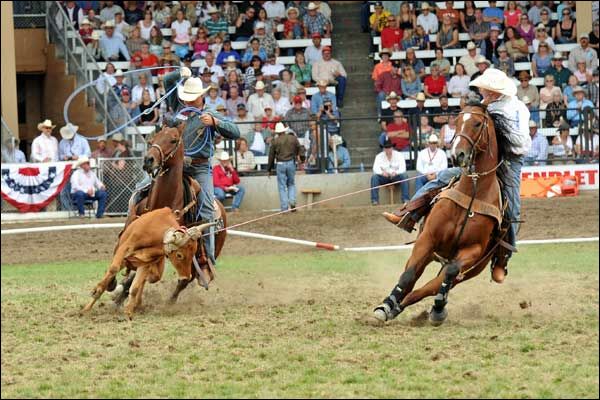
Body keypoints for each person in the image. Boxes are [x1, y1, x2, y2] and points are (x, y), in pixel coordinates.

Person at [384, 68, 531, 283]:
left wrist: (499, 131)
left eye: (488, 90)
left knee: (512, 203)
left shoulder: (517, 109)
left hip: (509, 160)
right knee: (444, 176)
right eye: (483, 89)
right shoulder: (483, 106)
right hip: (481, 159)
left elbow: (522, 142)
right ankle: (409, 214)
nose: (484, 93)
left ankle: (502, 259)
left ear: (498, 91)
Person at [161, 66, 240, 267]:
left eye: (192, 97)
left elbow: (235, 131)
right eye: (186, 97)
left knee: (205, 207)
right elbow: (167, 81)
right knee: (145, 189)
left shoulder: (209, 114)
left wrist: (215, 122)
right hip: (175, 166)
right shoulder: (179, 110)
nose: (188, 100)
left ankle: (209, 257)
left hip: (199, 168)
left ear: (201, 97)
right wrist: (181, 72)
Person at [267, 122, 301, 211]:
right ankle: (292, 202)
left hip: (280, 164)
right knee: (291, 184)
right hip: (291, 163)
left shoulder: (274, 141)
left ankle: (284, 207)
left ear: (277, 132)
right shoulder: (292, 138)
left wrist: (269, 169)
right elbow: (299, 148)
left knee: (282, 186)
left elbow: (271, 156)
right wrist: (301, 158)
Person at [370, 137, 409, 205]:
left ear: (392, 148)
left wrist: (396, 172)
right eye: (386, 148)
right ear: (384, 149)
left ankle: (405, 199)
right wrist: (382, 173)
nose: (388, 149)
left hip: (396, 177)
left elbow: (403, 168)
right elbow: (375, 168)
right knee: (374, 177)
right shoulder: (378, 156)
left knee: (404, 176)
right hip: (384, 177)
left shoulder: (399, 155)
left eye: (389, 148)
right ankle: (375, 200)